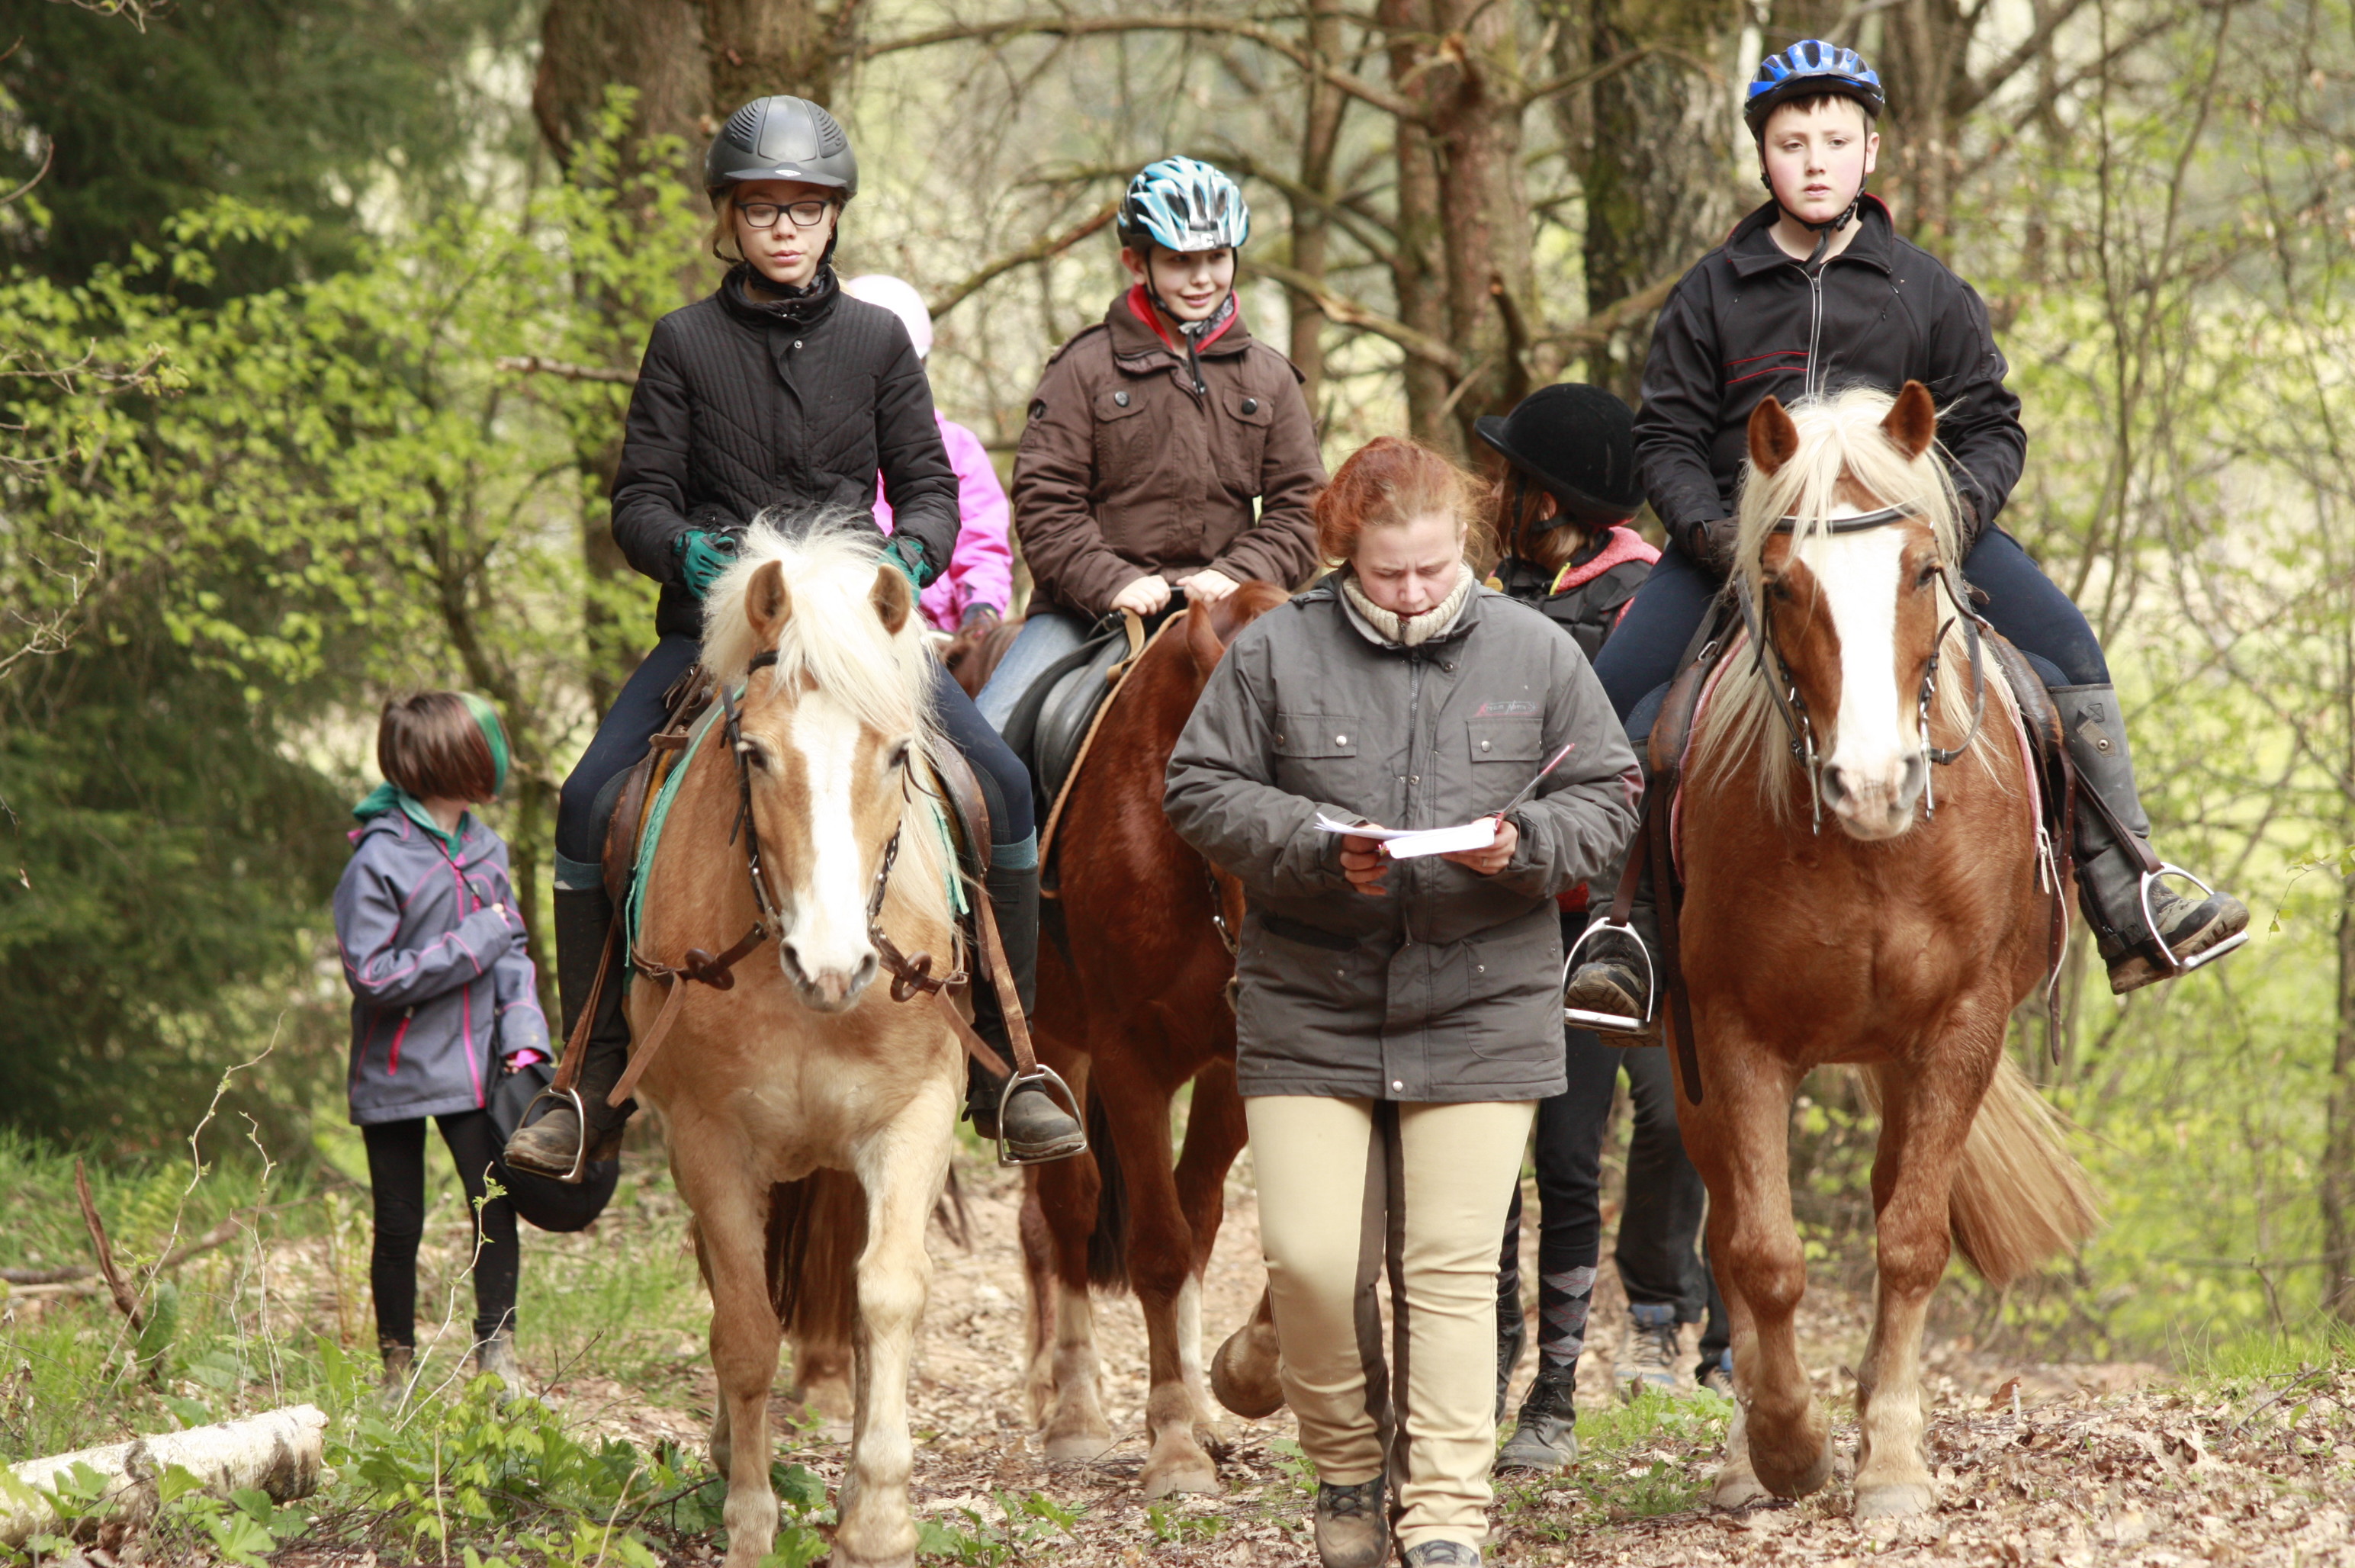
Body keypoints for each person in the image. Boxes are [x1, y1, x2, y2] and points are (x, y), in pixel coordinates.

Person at [1561, 39, 2248, 1035]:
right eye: (1792, 141)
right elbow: (1664, 435)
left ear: (1869, 151)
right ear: (1763, 156)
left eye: (1835, 140)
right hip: (1752, 551)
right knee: (1619, 695)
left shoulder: (1925, 287)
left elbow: (1993, 426)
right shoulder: (1710, 293)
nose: (1814, 160)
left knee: (2067, 656)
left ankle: (2131, 888)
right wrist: (1715, 536)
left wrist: (1952, 525)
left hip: (1914, 543)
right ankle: (1623, 934)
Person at [505, 95, 1083, 1175]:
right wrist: (696, 559)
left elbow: (926, 486)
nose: (785, 227)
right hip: (724, 636)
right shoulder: (681, 342)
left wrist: (905, 562)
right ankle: (591, 1080)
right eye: (764, 208)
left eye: (806, 209)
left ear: (831, 221)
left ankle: (1010, 1064)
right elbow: (639, 501)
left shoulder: (873, 342)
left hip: (857, 637)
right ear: (729, 219)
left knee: (1000, 784)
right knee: (588, 801)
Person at [1165, 438, 1640, 1568]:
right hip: (1308, 1002)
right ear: (1346, 553)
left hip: (1483, 1001)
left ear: (1462, 549)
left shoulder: (1536, 650)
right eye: (1389, 574)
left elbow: (1611, 791)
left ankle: (1442, 1518)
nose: (1415, 593)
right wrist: (1313, 848)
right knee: (1316, 1267)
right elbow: (1199, 786)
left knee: (1449, 1270)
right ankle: (1345, 1467)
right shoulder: (1277, 650)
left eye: (1432, 570)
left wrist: (1528, 845)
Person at [1470, 386, 1729, 1478]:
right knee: (1527, 1151)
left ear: (1550, 499)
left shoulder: (1643, 599)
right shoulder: (1482, 590)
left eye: (1508, 480)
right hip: (1507, 912)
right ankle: (1500, 1350)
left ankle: (1672, 1323)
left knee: (1669, 1126)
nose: (1491, 496)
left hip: (1632, 907)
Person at [976, 155, 1324, 731]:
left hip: (1232, 604)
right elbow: (1045, 505)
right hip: (1084, 614)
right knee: (986, 747)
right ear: (1136, 262)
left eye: (1216, 259)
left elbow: (1305, 508)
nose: (1202, 278)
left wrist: (1239, 572)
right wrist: (1113, 582)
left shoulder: (1270, 376)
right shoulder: (1080, 370)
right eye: (1180, 262)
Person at [336, 692, 545, 1399]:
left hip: (478, 1069)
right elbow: (373, 975)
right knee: (398, 1224)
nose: (500, 761)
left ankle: (498, 1357)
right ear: (449, 763)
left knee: (493, 1206)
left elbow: (513, 953)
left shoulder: (487, 848)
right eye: (487, 749)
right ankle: (396, 1369)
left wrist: (523, 1039)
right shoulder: (379, 861)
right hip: (395, 1074)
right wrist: (475, 938)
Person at [842, 272, 1015, 639]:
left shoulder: (958, 446)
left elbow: (982, 538)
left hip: (942, 637)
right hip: (853, 630)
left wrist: (979, 608)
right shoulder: (829, 446)